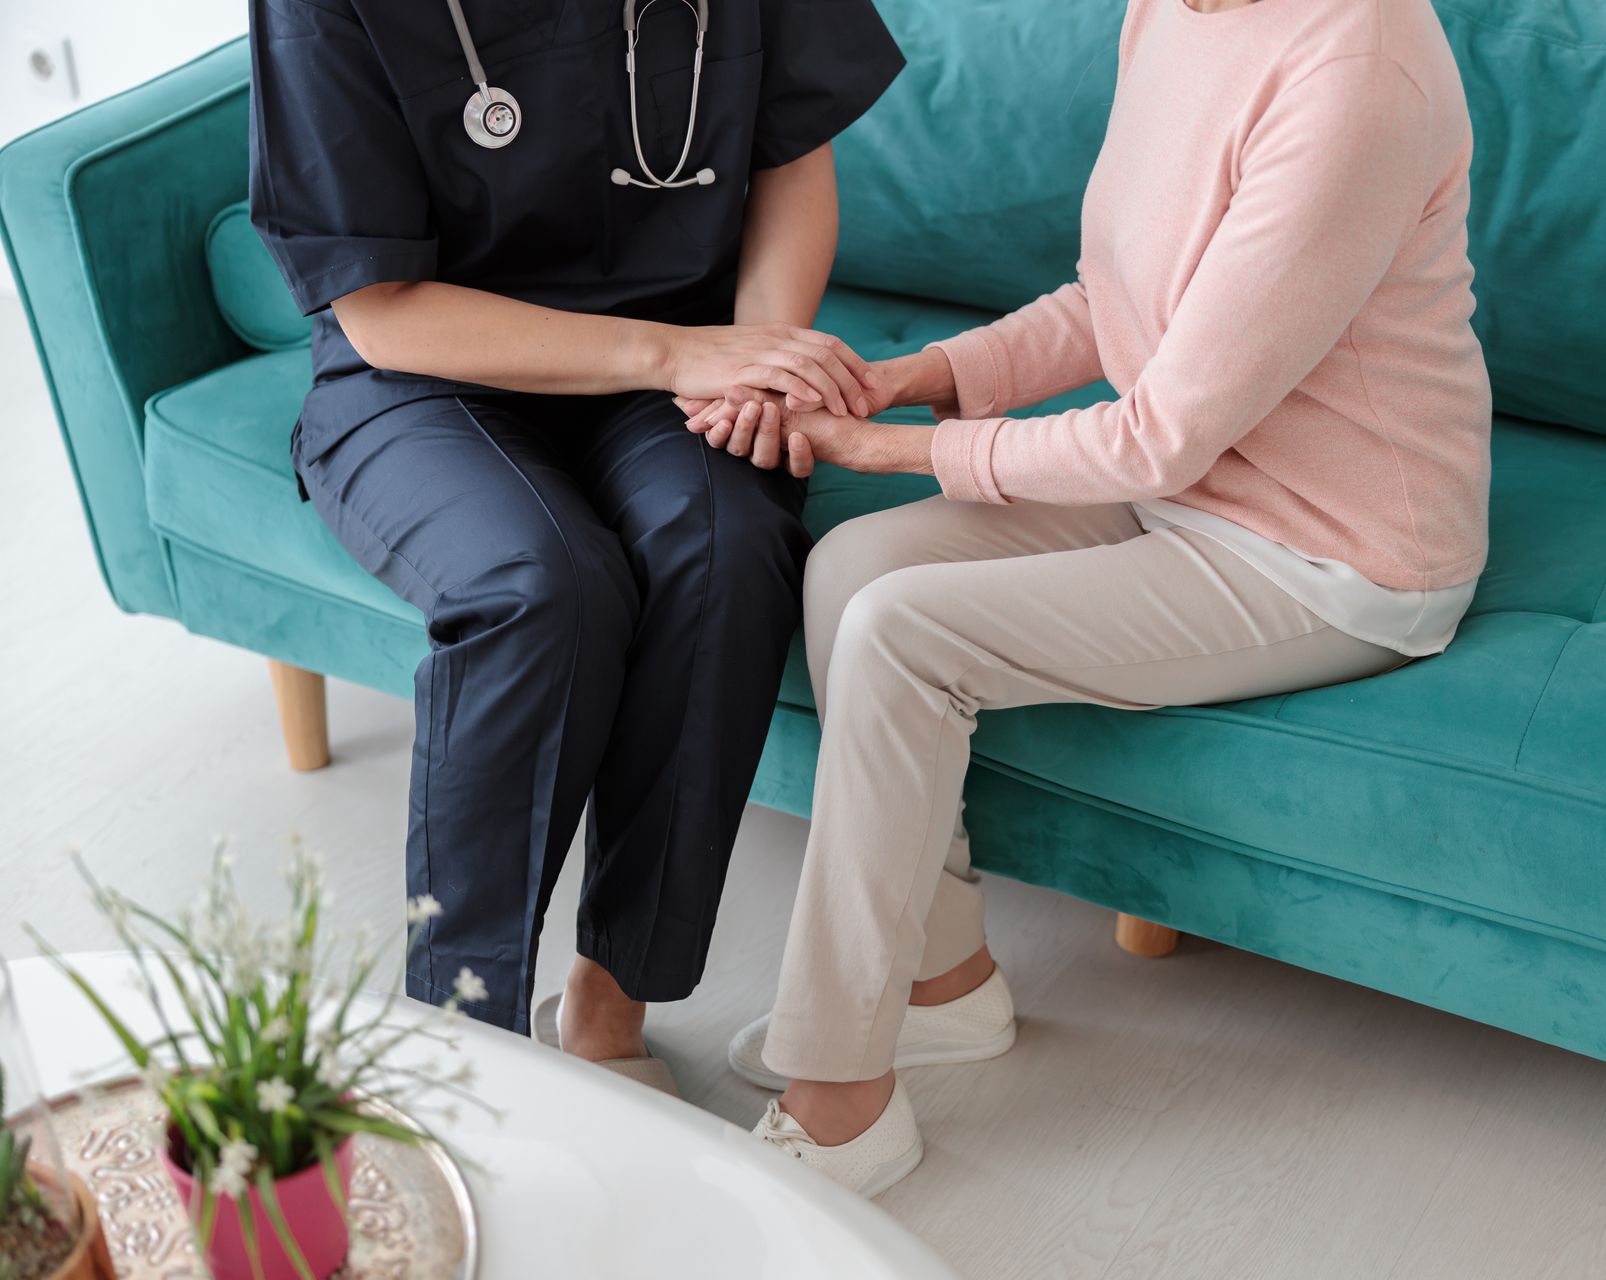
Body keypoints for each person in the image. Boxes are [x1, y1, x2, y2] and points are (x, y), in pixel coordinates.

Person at [686, 0, 1493, 1193]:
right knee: (854, 566)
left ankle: (842, 1097)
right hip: (1195, 480)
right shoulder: (1170, 12)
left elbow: (1158, 435)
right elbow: (1117, 306)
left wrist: (890, 451)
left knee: (911, 630)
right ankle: (941, 986)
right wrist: (915, 380)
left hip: (1331, 549)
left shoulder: (1359, 71)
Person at [247, 0, 904, 1093]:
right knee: (541, 584)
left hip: (686, 346)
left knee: (726, 547)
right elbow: (380, 308)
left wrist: (758, 358)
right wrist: (675, 354)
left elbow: (792, 155)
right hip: (424, 376)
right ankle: (467, 1042)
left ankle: (611, 1000)